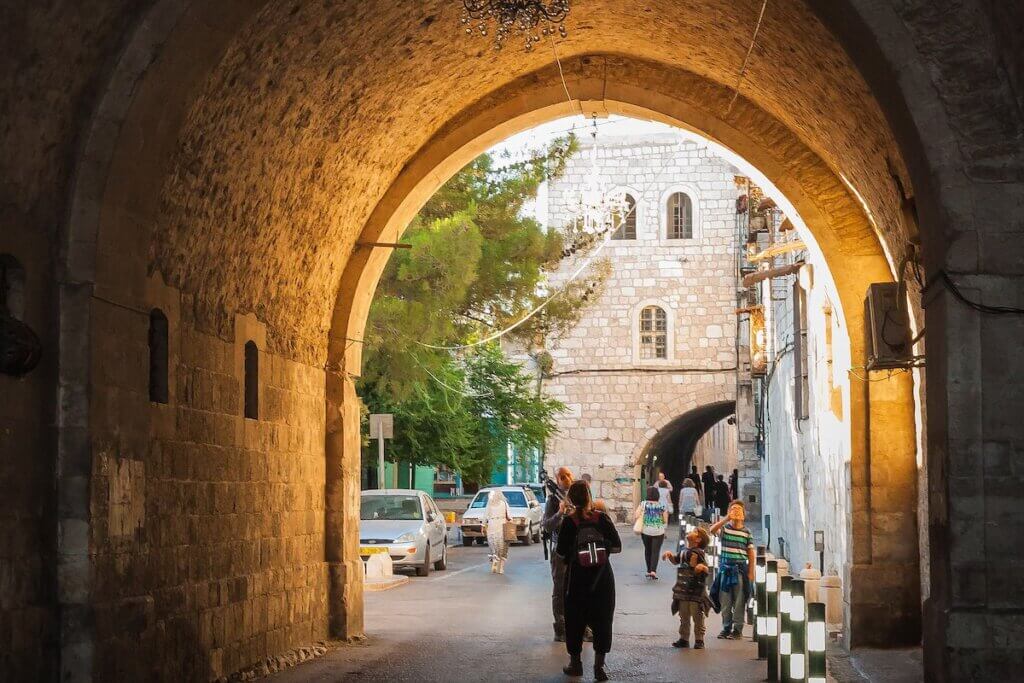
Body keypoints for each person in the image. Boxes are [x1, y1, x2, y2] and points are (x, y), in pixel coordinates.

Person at [556, 481, 622, 682]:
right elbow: (617, 547)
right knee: (603, 620)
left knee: (575, 620)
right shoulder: (601, 518)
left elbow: (560, 553)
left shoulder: (569, 522)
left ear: (571, 499)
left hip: (577, 578)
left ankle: (576, 664)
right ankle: (599, 668)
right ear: (589, 497)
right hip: (602, 578)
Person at [709, 500, 756, 639]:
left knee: (739, 601)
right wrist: (726, 518)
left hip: (740, 570)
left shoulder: (747, 532)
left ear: (743, 515)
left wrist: (751, 572)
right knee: (725, 601)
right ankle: (726, 627)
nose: (736, 512)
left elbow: (751, 553)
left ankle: (737, 630)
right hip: (725, 569)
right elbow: (712, 530)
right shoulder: (725, 529)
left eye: (739, 510)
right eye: (733, 509)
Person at [663, 526, 712, 649]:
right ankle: (684, 638)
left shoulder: (699, 553)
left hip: (696, 590)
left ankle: (699, 639)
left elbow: (706, 568)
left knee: (697, 615)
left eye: (695, 532)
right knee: (683, 615)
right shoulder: (684, 551)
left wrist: (701, 567)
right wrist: (670, 556)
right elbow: (676, 560)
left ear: (698, 540)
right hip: (683, 589)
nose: (691, 532)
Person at [542, 466, 574, 641]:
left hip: (577, 548)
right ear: (557, 479)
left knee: (579, 588)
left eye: (568, 475)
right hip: (559, 550)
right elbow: (546, 525)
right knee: (560, 588)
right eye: (562, 476)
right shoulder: (553, 501)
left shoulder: (578, 495)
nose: (566, 478)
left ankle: (581, 626)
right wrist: (560, 513)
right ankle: (560, 628)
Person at [634, 485, 668, 579]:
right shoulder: (661, 505)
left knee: (648, 550)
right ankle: (653, 571)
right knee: (655, 551)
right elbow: (665, 520)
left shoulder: (643, 504)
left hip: (646, 531)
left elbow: (636, 515)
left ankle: (648, 570)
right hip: (658, 531)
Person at [485, 489, 512, 574]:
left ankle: (495, 560)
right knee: (503, 547)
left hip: (492, 525)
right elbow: (510, 516)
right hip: (502, 525)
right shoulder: (504, 504)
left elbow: (485, 516)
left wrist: (483, 526)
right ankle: (501, 568)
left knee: (493, 544)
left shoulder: (490, 504)